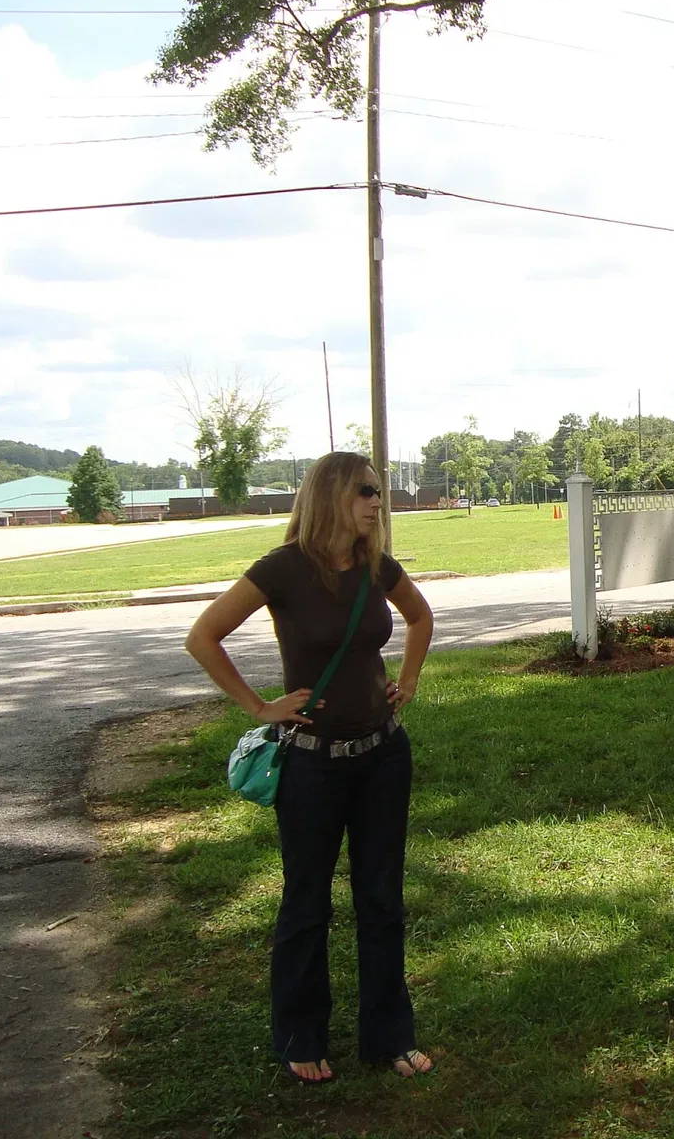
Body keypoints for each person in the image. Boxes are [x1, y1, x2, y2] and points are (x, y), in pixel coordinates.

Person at [185, 452, 436, 1083]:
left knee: (382, 900)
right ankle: (301, 1035)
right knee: (307, 902)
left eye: (378, 491)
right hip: (312, 766)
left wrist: (407, 681)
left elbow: (420, 616)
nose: (377, 502)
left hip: (383, 756)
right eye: (365, 491)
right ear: (330, 496)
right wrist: (259, 706)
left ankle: (389, 1035)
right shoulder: (283, 568)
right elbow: (203, 637)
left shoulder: (377, 566)